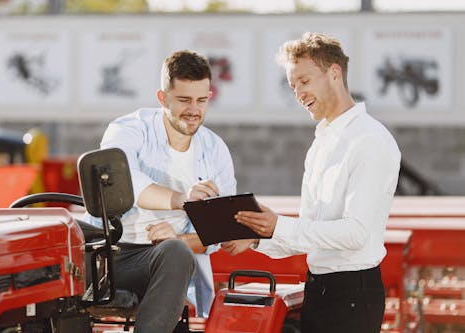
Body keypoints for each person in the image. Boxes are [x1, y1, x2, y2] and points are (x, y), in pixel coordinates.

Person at [221, 32, 401, 333]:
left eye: (304, 81)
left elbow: (355, 233)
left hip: (352, 295)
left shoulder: (370, 140)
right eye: (292, 86)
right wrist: (256, 237)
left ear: (334, 73)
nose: (298, 94)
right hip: (319, 290)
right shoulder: (321, 142)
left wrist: (276, 225)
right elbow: (310, 231)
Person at [86, 50, 236, 332]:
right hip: (111, 254)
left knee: (176, 252)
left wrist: (178, 237)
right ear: (162, 98)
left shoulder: (216, 150)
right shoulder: (129, 129)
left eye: (202, 100)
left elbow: (218, 233)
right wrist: (182, 200)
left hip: (169, 260)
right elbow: (125, 182)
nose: (194, 110)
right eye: (184, 100)